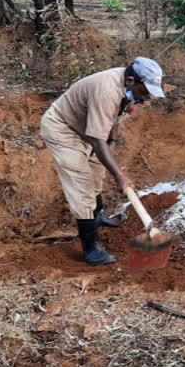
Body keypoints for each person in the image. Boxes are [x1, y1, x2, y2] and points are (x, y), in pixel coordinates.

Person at [40, 57, 165, 265]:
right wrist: (119, 175)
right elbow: (98, 138)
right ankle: (91, 249)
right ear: (132, 81)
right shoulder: (107, 91)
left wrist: (112, 140)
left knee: (97, 170)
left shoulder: (128, 85)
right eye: (145, 91)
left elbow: (114, 115)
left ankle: (97, 216)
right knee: (82, 183)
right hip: (63, 128)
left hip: (86, 129)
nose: (147, 97)